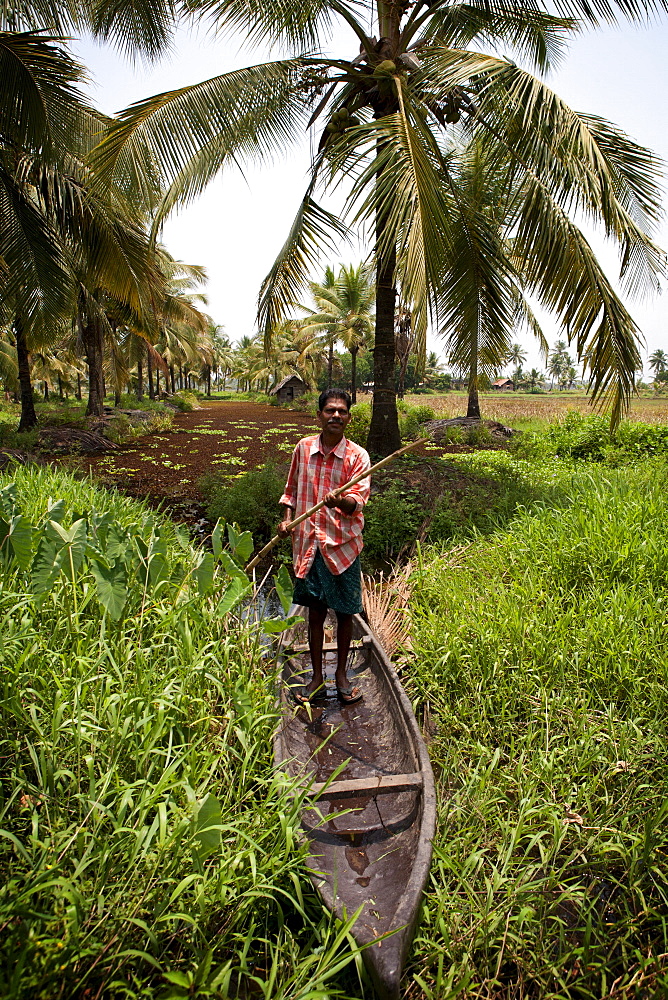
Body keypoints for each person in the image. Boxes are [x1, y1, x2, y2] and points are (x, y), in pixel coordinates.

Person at [277, 388, 371, 706]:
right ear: (319, 415)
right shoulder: (303, 449)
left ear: (348, 418)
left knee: (345, 613)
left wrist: (339, 500)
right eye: (330, 410)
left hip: (342, 546)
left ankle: (341, 676)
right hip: (307, 543)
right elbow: (290, 491)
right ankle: (317, 677)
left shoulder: (358, 457)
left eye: (342, 412)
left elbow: (356, 503)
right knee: (315, 613)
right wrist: (286, 519)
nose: (335, 416)